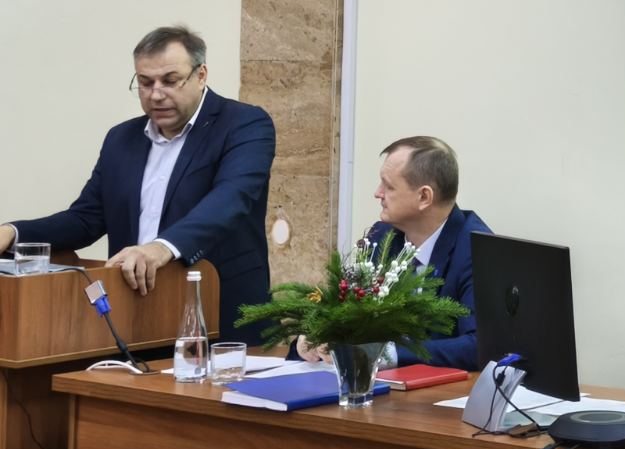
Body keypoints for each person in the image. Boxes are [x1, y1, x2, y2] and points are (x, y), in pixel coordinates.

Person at [0, 26, 274, 343]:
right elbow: (86, 219)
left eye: (170, 81)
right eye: (145, 82)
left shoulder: (244, 124)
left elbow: (230, 199)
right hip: (136, 318)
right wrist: (13, 232)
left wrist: (161, 248)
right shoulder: (121, 139)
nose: (156, 94)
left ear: (201, 76)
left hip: (221, 318)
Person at [301, 136, 489, 370]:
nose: (377, 193)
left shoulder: (477, 251)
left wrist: (383, 354)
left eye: (388, 186)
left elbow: (479, 346)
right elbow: (347, 312)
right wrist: (314, 336)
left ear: (424, 197)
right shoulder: (382, 236)